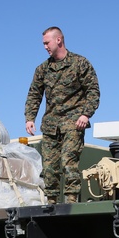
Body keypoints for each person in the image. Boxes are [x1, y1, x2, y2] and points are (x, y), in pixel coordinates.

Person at [24, 26, 100, 204]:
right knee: (49, 167)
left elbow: (93, 91)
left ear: (58, 40)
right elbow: (34, 94)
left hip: (73, 124)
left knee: (68, 162)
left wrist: (86, 114)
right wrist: (29, 118)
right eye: (43, 44)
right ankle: (51, 201)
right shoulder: (43, 69)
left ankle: (71, 199)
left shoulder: (80, 63)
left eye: (47, 43)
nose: (45, 47)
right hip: (51, 125)